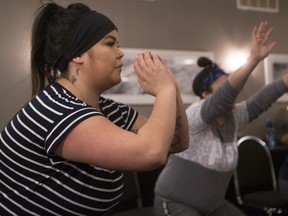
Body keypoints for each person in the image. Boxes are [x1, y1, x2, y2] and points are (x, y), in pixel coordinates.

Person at [0, 2, 189, 215]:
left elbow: (177, 142)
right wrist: (164, 90)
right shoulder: (57, 109)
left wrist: (172, 88)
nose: (120, 54)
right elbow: (152, 152)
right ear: (78, 54)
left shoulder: (108, 110)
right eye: (110, 44)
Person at [154, 21, 288, 216]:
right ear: (206, 95)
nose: (234, 91)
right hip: (175, 203)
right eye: (225, 85)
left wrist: (285, 81)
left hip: (213, 206)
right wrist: (252, 60)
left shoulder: (234, 116)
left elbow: (260, 101)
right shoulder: (195, 113)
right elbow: (225, 96)